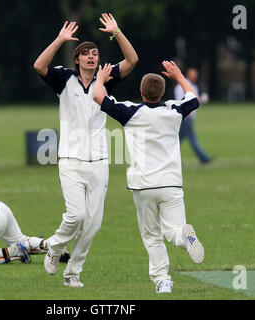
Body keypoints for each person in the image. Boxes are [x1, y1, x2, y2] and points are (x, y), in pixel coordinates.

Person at [34, 13, 138, 288]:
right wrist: (59, 40)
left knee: (92, 224)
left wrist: (117, 32)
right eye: (85, 54)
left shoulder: (105, 79)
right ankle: (55, 248)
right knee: (76, 215)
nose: (91, 57)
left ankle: (72, 274)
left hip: (99, 162)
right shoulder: (63, 78)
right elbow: (39, 65)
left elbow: (132, 61)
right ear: (76, 59)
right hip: (70, 160)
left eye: (94, 53)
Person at [93, 61, 205, 294]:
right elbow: (193, 98)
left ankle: (162, 280)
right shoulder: (173, 112)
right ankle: (186, 238)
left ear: (141, 93)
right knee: (175, 229)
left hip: (143, 185)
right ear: (162, 93)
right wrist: (179, 76)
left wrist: (101, 79)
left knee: (152, 236)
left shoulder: (131, 112)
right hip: (171, 183)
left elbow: (98, 98)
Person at [174, 68, 212, 164]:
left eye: (195, 75)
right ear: (188, 75)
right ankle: (204, 158)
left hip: (187, 117)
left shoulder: (193, 86)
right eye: (193, 74)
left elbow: (195, 100)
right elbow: (180, 101)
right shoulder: (181, 86)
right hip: (187, 116)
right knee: (192, 137)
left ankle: (167, 155)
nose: (195, 77)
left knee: (179, 138)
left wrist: (202, 100)